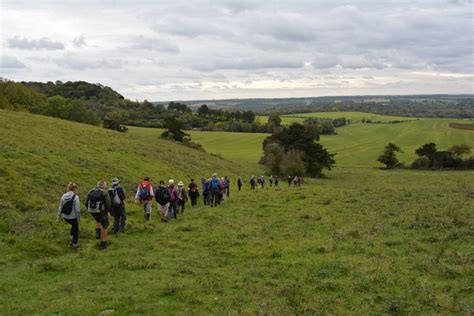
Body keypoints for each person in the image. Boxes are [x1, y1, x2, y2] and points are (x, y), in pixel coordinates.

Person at [86, 180, 112, 250]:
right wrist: (107, 212)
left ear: (97, 185)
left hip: (92, 211)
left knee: (98, 220)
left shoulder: (91, 191)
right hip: (102, 211)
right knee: (105, 226)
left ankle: (97, 232)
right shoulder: (104, 192)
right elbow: (108, 204)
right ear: (104, 186)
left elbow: (86, 202)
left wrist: (91, 210)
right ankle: (104, 244)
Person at [57, 182, 81, 251]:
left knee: (73, 226)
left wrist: (58, 218)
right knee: (76, 228)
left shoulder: (63, 196)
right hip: (73, 217)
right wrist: (78, 218)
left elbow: (60, 207)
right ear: (75, 189)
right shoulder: (76, 197)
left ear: (68, 188)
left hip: (65, 217)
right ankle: (74, 246)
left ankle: (71, 241)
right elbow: (77, 210)